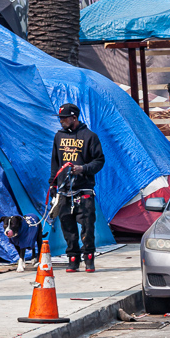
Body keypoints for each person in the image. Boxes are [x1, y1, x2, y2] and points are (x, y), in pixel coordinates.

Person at [50, 103, 105, 272]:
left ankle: (89, 259)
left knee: (87, 226)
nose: (61, 122)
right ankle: (73, 259)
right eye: (60, 119)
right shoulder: (58, 137)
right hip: (64, 190)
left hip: (84, 189)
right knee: (68, 227)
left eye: (64, 118)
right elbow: (55, 162)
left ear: (74, 117)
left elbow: (99, 160)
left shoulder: (90, 136)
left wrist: (83, 168)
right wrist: (53, 184)